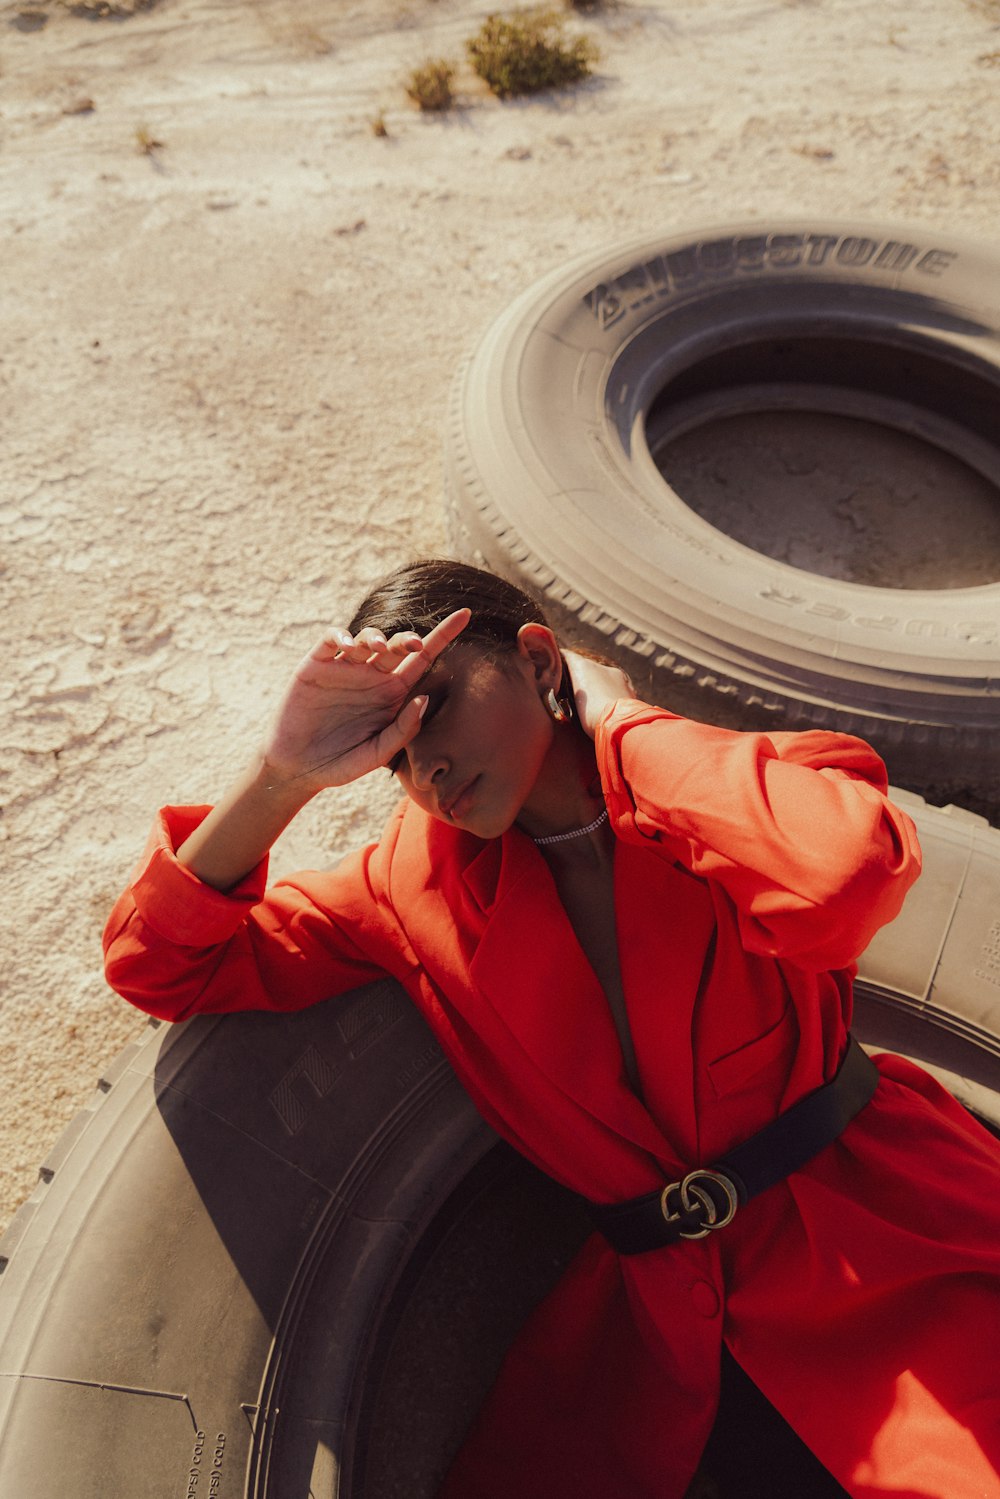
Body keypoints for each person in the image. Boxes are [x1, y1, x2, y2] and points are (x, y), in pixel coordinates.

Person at [104, 559, 1000, 1499]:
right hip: (661, 1340)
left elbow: (845, 879)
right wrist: (280, 779)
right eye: (394, 753)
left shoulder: (743, 785)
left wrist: (622, 723)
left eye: (433, 707)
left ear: (540, 659)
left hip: (894, 1248)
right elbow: (156, 962)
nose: (426, 769)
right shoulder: (405, 891)